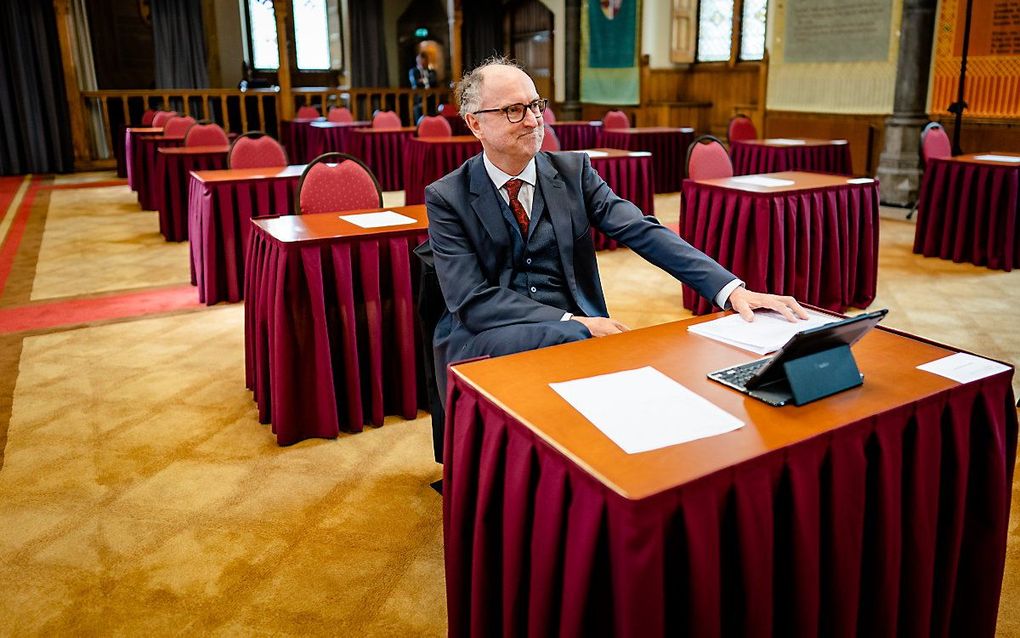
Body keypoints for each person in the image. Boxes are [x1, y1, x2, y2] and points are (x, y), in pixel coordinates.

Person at [424, 56, 808, 408]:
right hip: (489, 327)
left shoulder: (573, 172)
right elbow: (471, 299)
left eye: (536, 105)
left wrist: (731, 290)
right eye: (513, 110)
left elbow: (642, 230)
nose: (533, 120)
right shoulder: (447, 196)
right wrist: (570, 323)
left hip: (577, 318)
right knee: (580, 340)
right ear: (475, 123)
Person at [409, 53, 437, 122]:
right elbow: (416, 83)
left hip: (431, 101)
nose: (422, 63)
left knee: (432, 120)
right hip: (419, 101)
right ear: (417, 61)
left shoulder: (432, 71)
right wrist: (427, 79)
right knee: (420, 122)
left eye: (424, 61)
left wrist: (423, 80)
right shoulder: (413, 71)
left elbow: (434, 81)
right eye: (420, 61)